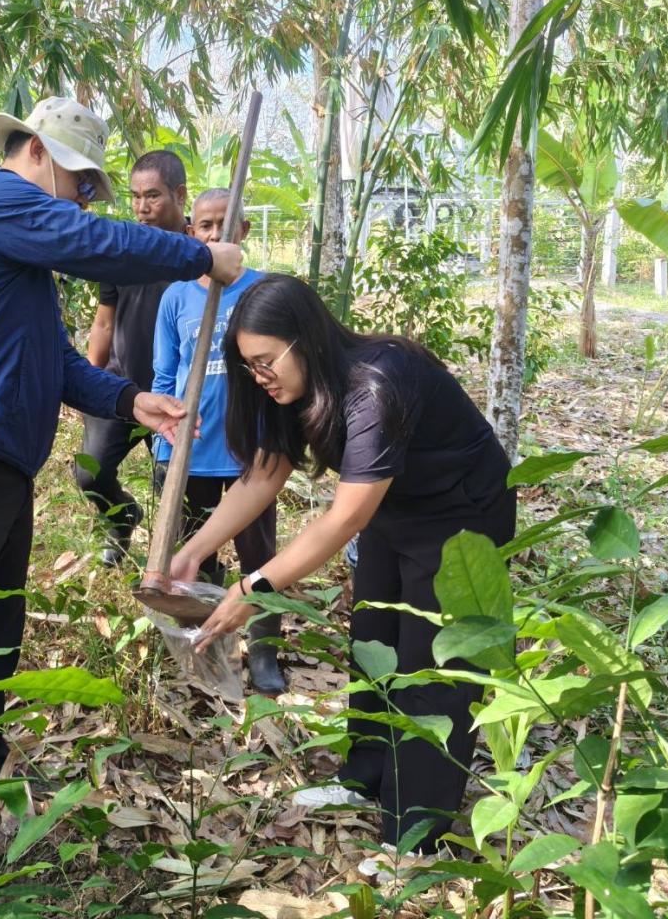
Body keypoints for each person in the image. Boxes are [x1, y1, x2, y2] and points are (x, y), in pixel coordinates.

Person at [0, 96, 244, 870]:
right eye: (82, 184)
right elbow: (93, 242)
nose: (82, 201)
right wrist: (198, 256)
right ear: (38, 152)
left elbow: (61, 362)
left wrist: (131, 401)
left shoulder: (23, 264)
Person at [171, 274, 515, 853]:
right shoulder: (293, 389)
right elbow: (262, 476)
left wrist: (255, 586)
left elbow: (345, 516)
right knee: (375, 642)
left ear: (304, 339)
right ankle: (366, 778)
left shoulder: (378, 383)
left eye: (265, 362)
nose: (260, 377)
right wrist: (193, 551)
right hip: (394, 509)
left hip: (462, 517)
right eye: (249, 367)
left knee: (431, 669)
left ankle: (412, 836)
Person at [151, 188, 284, 694]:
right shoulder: (176, 296)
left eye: (224, 224)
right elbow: (165, 374)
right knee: (195, 559)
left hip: (250, 452)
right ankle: (204, 652)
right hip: (192, 451)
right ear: (191, 233)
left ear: (243, 231)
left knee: (259, 556)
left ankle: (265, 650)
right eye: (204, 225)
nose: (214, 234)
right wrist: (165, 440)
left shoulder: (261, 291)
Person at [74, 151, 189, 566]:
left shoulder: (200, 251)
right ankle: (121, 518)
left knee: (173, 488)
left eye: (153, 196)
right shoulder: (122, 250)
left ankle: (182, 567)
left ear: (180, 195)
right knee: (90, 473)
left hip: (176, 393)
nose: (142, 207)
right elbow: (105, 322)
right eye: (136, 197)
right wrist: (87, 382)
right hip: (121, 386)